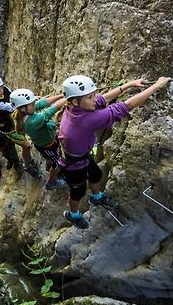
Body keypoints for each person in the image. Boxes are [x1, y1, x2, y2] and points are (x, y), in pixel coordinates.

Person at [59, 74, 171, 229]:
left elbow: (102, 99)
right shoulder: (86, 120)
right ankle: (73, 215)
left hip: (81, 155)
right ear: (76, 101)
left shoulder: (74, 107)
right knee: (77, 191)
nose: (94, 99)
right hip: (73, 163)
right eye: (89, 97)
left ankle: (97, 197)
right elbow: (127, 106)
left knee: (96, 175)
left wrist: (130, 84)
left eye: (93, 95)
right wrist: (156, 86)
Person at [10, 88, 68, 190]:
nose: (34, 104)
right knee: (59, 163)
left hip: (42, 145)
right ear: (24, 108)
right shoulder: (33, 121)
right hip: (49, 146)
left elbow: (43, 103)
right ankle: (51, 182)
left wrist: (61, 96)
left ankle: (48, 166)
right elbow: (52, 109)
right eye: (32, 104)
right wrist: (69, 97)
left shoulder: (23, 114)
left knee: (50, 159)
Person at [0, 74, 40, 177]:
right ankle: (26, 165)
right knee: (26, 146)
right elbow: (12, 106)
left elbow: (13, 97)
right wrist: (31, 101)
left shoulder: (4, 90)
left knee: (19, 144)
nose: (1, 90)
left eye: (1, 87)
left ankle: (22, 162)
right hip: (7, 128)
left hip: (10, 122)